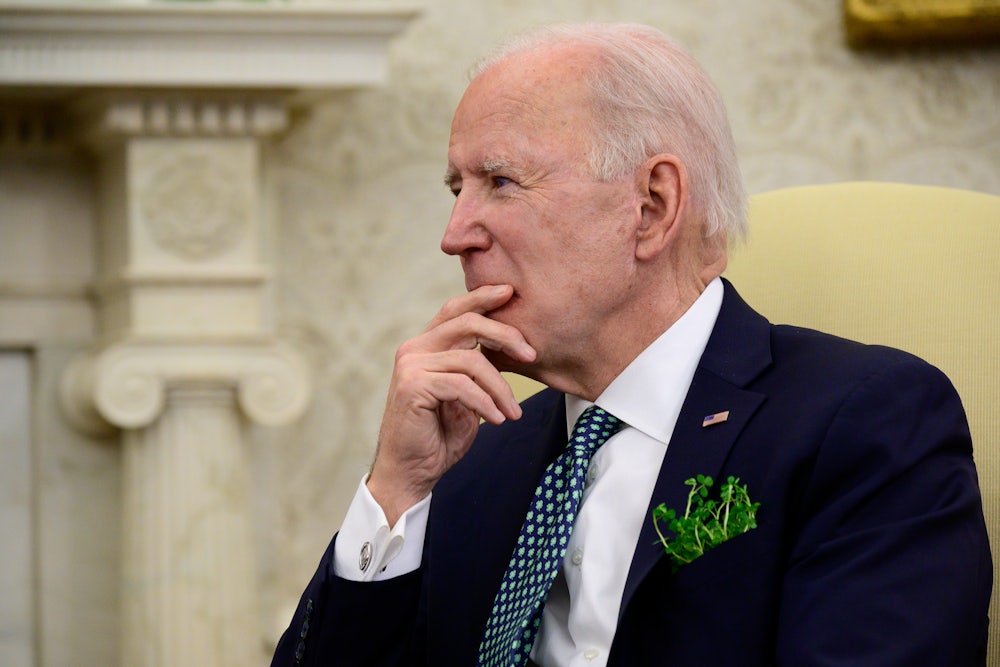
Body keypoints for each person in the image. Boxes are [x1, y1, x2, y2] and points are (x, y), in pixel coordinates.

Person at [271, 22, 991, 667]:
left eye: (499, 181)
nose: (455, 233)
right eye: (456, 188)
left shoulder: (864, 424)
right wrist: (395, 491)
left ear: (652, 207)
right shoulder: (467, 463)